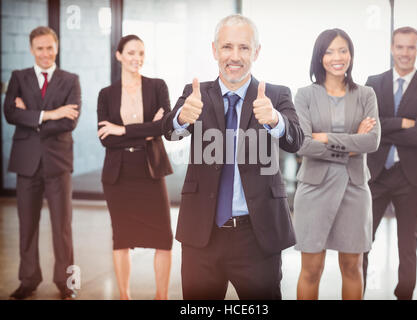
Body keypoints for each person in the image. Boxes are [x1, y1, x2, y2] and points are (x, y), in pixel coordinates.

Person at [161, 14, 303, 300]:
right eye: (227, 47)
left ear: (256, 52)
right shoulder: (195, 94)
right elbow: (169, 131)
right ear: (215, 50)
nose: (234, 56)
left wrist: (275, 120)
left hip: (257, 235)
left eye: (244, 48)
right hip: (203, 234)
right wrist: (180, 118)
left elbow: (295, 141)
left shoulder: (276, 95)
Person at [293, 28, 380, 300]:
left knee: (353, 267)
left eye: (343, 50)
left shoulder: (366, 94)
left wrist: (327, 138)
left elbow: (372, 142)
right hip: (314, 189)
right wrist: (352, 141)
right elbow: (303, 144)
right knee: (311, 269)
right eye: (329, 51)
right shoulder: (304, 95)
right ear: (320, 57)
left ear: (351, 55)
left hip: (354, 189)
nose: (337, 57)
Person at [3, 26, 81, 300]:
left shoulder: (70, 79)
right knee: (27, 226)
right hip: (27, 163)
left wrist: (33, 118)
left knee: (63, 226)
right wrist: (50, 114)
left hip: (58, 163)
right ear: (31, 49)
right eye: (40, 48)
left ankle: (67, 282)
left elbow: (69, 121)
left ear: (56, 47)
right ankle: (28, 280)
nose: (45, 53)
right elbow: (10, 113)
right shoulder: (19, 77)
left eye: (50, 47)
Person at [363, 27, 417, 300]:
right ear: (391, 48)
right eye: (400, 47)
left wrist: (384, 127)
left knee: (408, 245)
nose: (405, 53)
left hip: (411, 179)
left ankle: (404, 295)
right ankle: (356, 293)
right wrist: (401, 123)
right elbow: (368, 128)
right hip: (375, 175)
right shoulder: (373, 83)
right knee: (362, 242)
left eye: (411, 47)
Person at [97, 35, 173, 300]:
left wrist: (123, 130)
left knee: (164, 238)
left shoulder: (157, 86)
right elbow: (106, 139)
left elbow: (163, 126)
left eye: (141, 53)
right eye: (130, 53)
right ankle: (124, 297)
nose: (136, 58)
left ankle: (161, 296)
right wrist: (146, 131)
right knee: (122, 238)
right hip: (118, 174)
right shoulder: (106, 94)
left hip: (150, 169)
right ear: (118, 55)